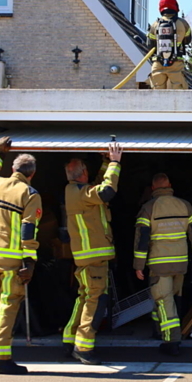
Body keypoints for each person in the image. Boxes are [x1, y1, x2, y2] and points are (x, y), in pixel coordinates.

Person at [0, 137, 40, 375]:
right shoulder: (29, 193)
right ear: (31, 174)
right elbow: (28, 230)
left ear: (13, 170)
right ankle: (0, 358)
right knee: (7, 306)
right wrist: (30, 262)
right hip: (11, 261)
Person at [62, 142, 122, 365]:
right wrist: (115, 163)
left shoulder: (76, 191)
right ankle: (83, 348)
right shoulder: (84, 193)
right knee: (95, 301)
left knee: (84, 297)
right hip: (94, 258)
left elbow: (96, 186)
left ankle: (69, 339)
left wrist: (106, 162)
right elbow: (107, 191)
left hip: (85, 257)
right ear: (83, 173)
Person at [133, 173, 192, 354]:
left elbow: (142, 240)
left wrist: (138, 265)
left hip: (159, 264)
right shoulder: (185, 206)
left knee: (163, 300)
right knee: (172, 298)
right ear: (170, 185)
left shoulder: (148, 209)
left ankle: (171, 341)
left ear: (152, 189)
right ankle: (159, 331)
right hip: (180, 263)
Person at [147, 0, 192, 90]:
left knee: (157, 93)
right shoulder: (183, 23)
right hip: (176, 63)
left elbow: (150, 45)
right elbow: (188, 40)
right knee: (179, 92)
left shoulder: (155, 25)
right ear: (175, 7)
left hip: (158, 64)